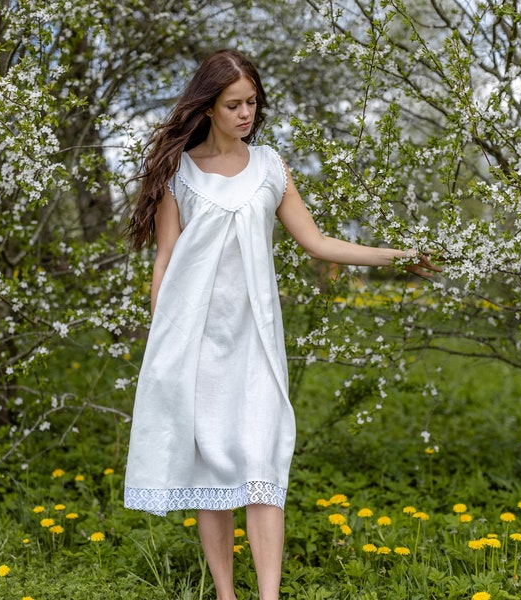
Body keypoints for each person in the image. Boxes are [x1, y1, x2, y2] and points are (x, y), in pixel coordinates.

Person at [123, 49, 441, 600]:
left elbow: (316, 242)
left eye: (252, 103)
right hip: (195, 343)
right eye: (234, 105)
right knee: (212, 473)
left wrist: (396, 256)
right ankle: (226, 594)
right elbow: (165, 262)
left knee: (262, 461)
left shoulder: (271, 165)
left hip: (255, 346)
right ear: (208, 106)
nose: (246, 114)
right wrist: (161, 348)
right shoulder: (179, 171)